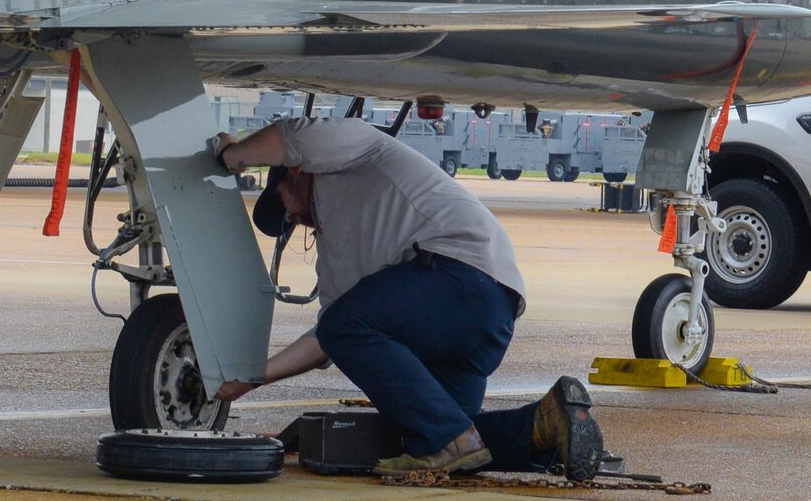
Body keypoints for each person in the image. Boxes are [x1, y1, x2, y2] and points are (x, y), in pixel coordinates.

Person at [209, 114, 604, 479]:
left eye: (283, 204)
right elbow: (324, 342)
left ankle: (451, 438)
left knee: (438, 429)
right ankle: (546, 430)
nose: (293, 219)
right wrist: (253, 377)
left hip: (458, 278)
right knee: (440, 440)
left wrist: (233, 154)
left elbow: (290, 134)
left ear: (294, 171)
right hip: (485, 315)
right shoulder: (334, 254)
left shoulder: (358, 150)